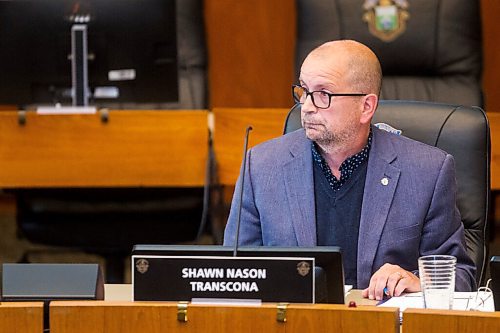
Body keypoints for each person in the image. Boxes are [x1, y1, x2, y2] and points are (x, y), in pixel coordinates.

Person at [223, 40, 476, 300]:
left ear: (366, 106)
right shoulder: (262, 166)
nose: (307, 106)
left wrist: (418, 280)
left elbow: (461, 277)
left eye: (324, 94)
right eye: (304, 91)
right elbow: (233, 273)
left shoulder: (427, 172)